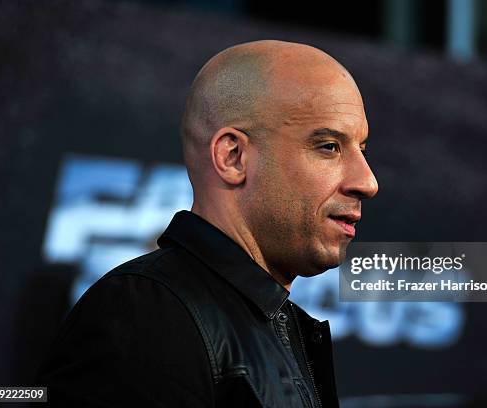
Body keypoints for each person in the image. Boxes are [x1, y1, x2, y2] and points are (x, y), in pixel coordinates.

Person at [37, 39, 378, 407]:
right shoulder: (146, 317)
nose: (368, 182)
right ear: (233, 157)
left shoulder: (270, 321)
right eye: (328, 146)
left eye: (362, 149)